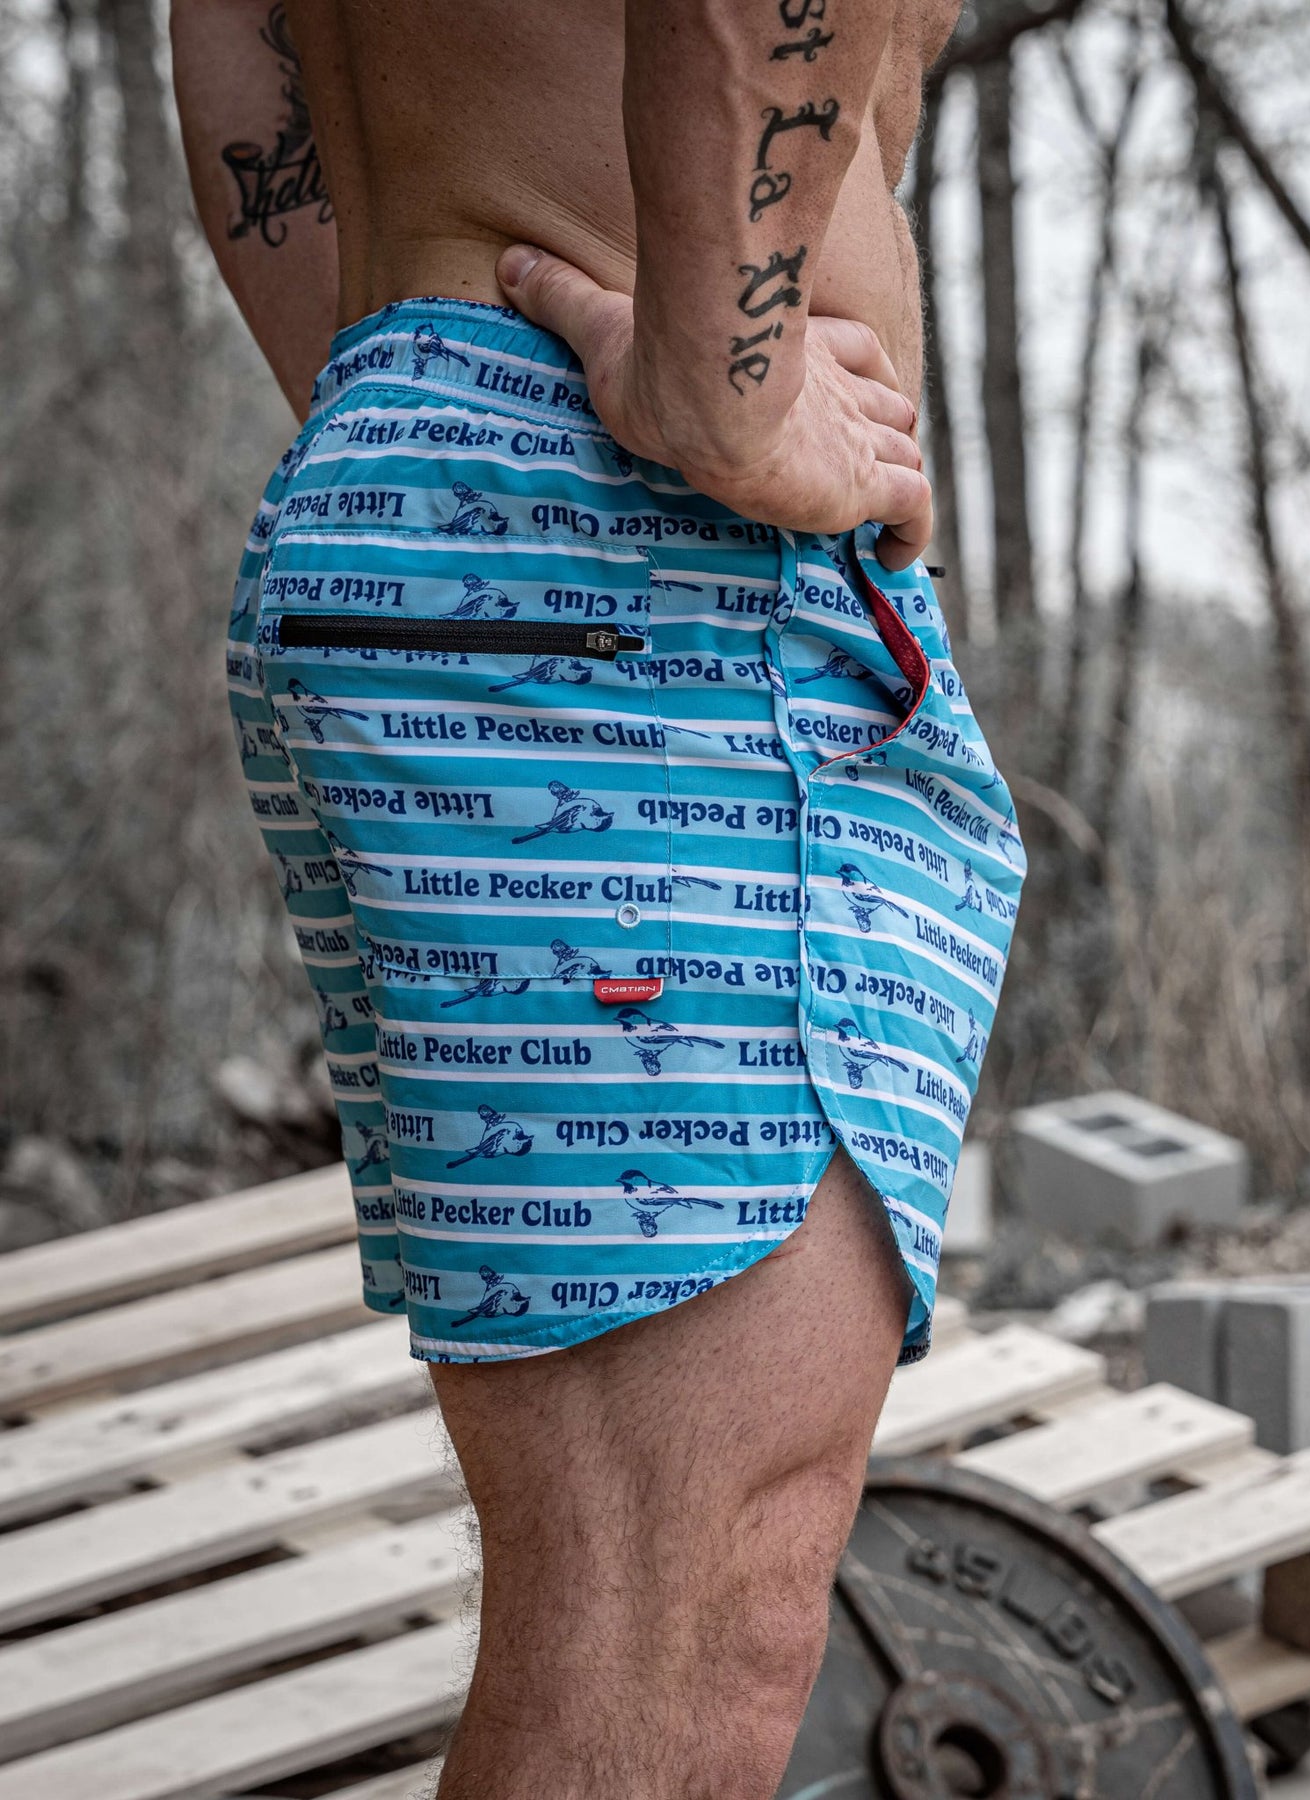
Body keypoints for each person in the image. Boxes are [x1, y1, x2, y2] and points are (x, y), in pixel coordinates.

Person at [169, 3, 1021, 1796]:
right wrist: (727, 393)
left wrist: (413, 400)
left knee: (664, 1598)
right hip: (651, 546)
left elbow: (238, 31)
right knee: (673, 1625)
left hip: (502, 490)